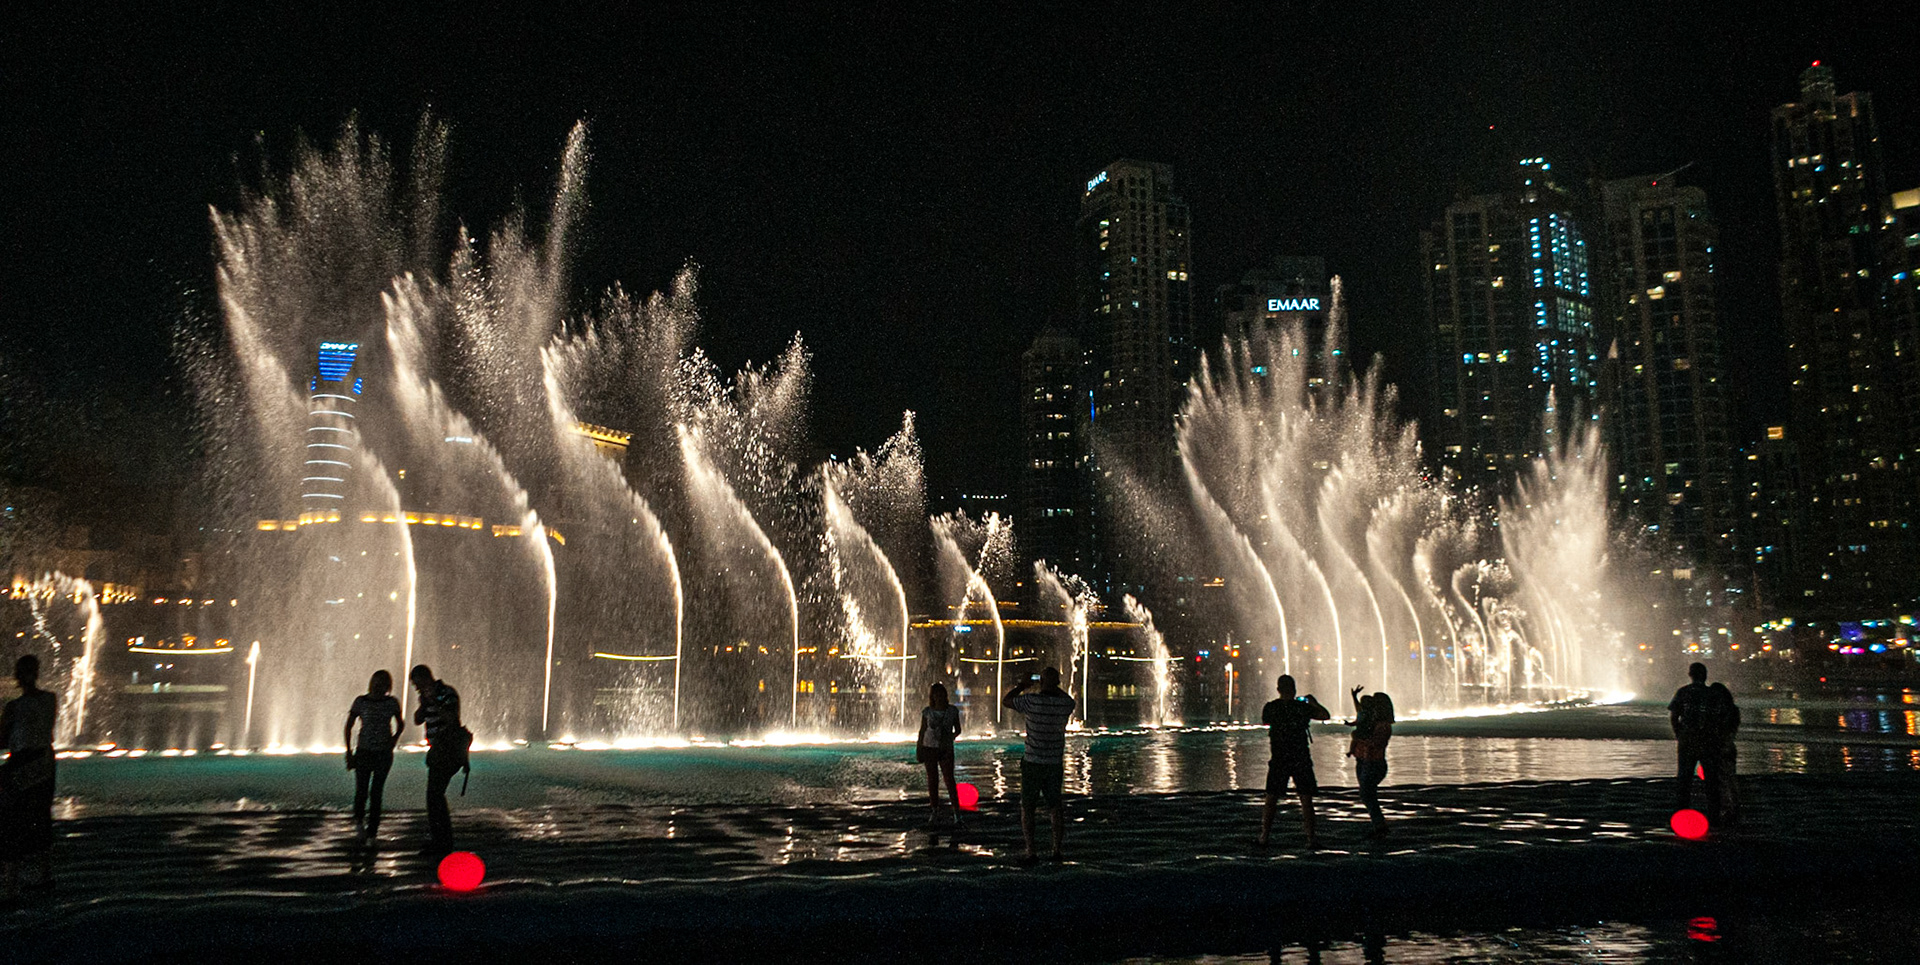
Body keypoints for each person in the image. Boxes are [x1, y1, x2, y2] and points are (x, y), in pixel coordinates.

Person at [1005, 665, 1076, 863]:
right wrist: (1053, 685)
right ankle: (1056, 851)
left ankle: (1031, 852)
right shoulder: (1064, 705)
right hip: (1054, 763)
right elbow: (1070, 701)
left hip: (1033, 762)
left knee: (1028, 808)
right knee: (1055, 807)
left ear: (1041, 682)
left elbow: (1006, 701)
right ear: (1059, 683)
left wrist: (1023, 685)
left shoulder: (1031, 700)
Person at [1, 655, 58, 901]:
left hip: (23, 763)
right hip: (45, 762)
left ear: (16, 677)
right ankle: (44, 875)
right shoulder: (50, 700)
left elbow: (3, 739)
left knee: (12, 821)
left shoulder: (14, 707)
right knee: (41, 816)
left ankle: (11, 885)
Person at [1257, 674, 1329, 848]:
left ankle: (1264, 836)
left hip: (1279, 757)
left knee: (1271, 798)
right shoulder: (1302, 707)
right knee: (1306, 799)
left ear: (1278, 689)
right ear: (1294, 689)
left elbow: (1265, 721)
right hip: (1300, 757)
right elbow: (1325, 715)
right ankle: (1311, 838)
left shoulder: (1271, 707)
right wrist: (1312, 702)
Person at [409, 664, 469, 856]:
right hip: (437, 751)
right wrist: (424, 705)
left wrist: (434, 701)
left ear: (426, 678)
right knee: (435, 796)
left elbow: (452, 718)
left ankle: (442, 842)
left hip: (448, 751)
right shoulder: (426, 698)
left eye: (418, 684)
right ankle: (441, 839)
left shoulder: (448, 693)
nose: (417, 688)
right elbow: (418, 720)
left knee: (434, 795)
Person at [343, 669, 404, 844]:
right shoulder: (361, 702)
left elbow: (400, 723)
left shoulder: (392, 702)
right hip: (364, 752)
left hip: (383, 754)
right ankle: (359, 823)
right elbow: (348, 726)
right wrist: (349, 751)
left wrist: (394, 740)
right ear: (371, 683)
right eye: (376, 682)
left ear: (387, 686)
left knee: (376, 792)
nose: (379, 686)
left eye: (383, 683)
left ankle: (372, 831)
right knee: (361, 791)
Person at [1668, 662, 1721, 823]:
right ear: (1705, 676)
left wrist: (1680, 734)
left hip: (1687, 740)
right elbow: (1718, 718)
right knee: (1711, 778)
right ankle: (1714, 814)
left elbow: (1674, 716)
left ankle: (1681, 812)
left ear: (1690, 675)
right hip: (1707, 740)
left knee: (1684, 777)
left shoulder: (1683, 692)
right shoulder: (1712, 694)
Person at [1347, 686, 1394, 838]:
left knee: (1367, 794)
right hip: (1363, 761)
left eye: (1375, 703)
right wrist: (1354, 697)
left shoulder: (1383, 726)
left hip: (1373, 763)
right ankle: (1379, 825)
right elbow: (1360, 710)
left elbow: (1376, 743)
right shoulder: (1371, 721)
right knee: (1367, 795)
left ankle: (1380, 826)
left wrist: (1358, 737)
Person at [917, 682, 963, 827]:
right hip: (929, 747)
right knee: (932, 780)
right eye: (936, 694)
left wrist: (950, 737)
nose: (939, 696)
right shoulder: (927, 712)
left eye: (941, 693)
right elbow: (922, 731)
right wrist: (919, 748)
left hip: (945, 748)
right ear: (933, 696)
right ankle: (934, 811)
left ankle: (956, 813)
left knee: (949, 779)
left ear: (945, 695)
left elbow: (958, 729)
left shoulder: (952, 711)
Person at [1709, 681, 1741, 826]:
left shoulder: (1718, 710)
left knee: (1721, 780)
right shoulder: (1733, 710)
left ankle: (1727, 809)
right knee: (1730, 778)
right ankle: (1733, 808)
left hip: (1720, 747)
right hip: (1729, 746)